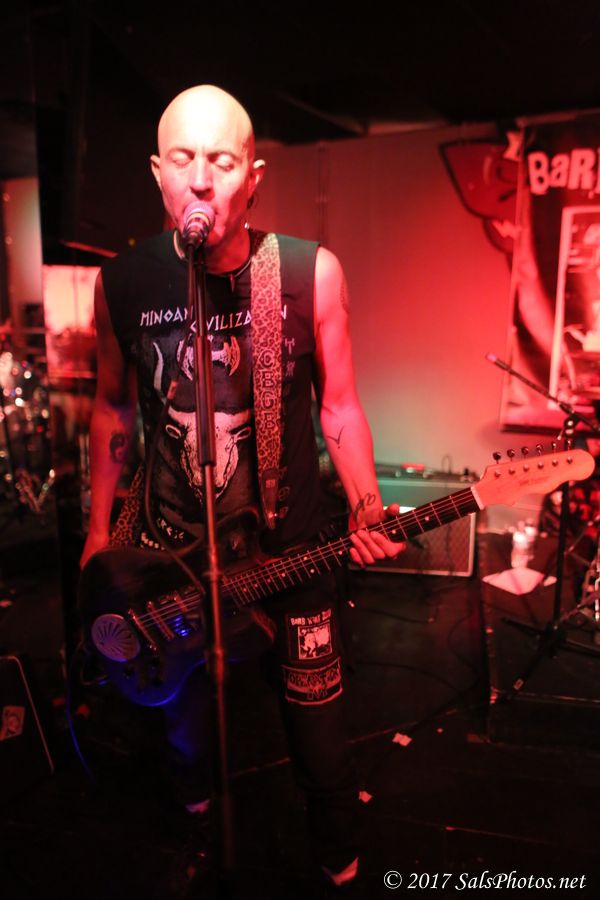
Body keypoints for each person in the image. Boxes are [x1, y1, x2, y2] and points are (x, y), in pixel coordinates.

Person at [80, 84, 403, 893]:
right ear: (158, 174)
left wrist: (366, 505)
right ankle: (194, 815)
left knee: (319, 734)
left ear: (252, 178)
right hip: (171, 558)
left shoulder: (306, 273)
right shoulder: (122, 284)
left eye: (221, 161)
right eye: (183, 159)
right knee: (184, 722)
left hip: (290, 551)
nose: (200, 179)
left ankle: (336, 853)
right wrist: (97, 532)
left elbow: (340, 406)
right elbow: (114, 407)